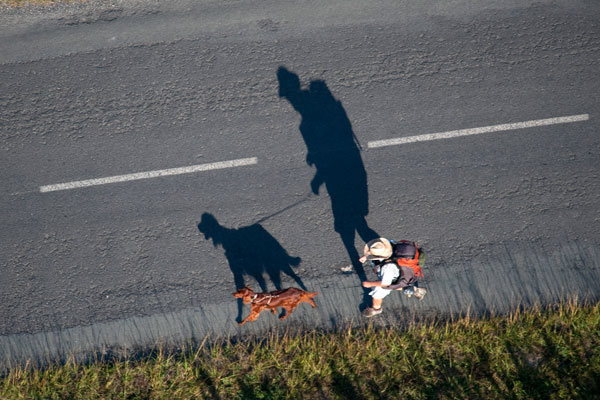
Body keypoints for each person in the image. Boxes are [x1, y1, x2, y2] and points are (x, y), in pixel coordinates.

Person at [360, 238, 427, 317]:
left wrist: (369, 284)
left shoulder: (387, 268)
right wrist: (366, 256)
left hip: (393, 275)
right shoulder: (388, 245)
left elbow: (385, 284)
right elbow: (377, 249)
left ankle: (376, 309)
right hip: (398, 270)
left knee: (378, 292)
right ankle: (413, 290)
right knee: (395, 284)